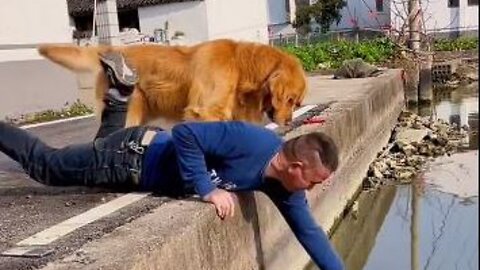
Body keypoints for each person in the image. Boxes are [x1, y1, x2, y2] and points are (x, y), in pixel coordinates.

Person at [0, 52, 344, 270]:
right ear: (296, 168)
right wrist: (207, 189)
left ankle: (121, 90)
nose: (312, 191)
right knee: (45, 165)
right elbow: (186, 133)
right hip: (129, 159)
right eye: (314, 182)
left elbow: (310, 234)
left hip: (131, 154)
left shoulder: (284, 188)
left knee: (102, 145)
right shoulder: (252, 140)